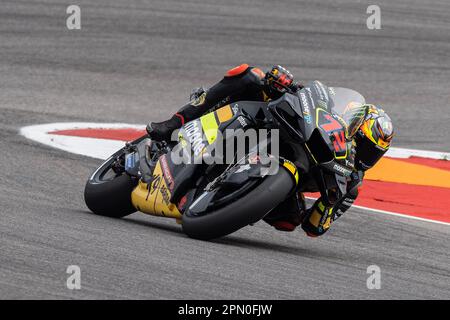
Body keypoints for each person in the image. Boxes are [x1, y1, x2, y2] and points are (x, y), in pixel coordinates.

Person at [147, 64, 394, 237]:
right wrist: (282, 81)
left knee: (288, 222)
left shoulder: (350, 184)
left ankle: (228, 199)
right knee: (248, 75)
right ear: (354, 126)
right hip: (273, 127)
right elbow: (310, 97)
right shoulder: (332, 118)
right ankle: (175, 122)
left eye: (373, 154)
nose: (365, 156)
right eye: (363, 144)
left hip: (287, 182)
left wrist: (329, 205)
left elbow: (314, 227)